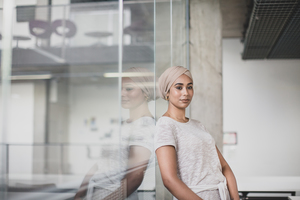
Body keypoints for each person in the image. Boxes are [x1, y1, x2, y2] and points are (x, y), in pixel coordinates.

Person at [155, 66, 239, 200]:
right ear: (167, 92)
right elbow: (169, 180)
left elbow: (224, 167)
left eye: (189, 87)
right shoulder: (165, 125)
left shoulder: (198, 125)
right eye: (179, 87)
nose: (186, 93)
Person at [74, 67, 156, 200]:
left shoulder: (144, 127)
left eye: (129, 89)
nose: (122, 93)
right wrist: (80, 192)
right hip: (98, 193)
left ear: (145, 92)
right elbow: (101, 162)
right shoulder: (125, 124)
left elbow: (134, 177)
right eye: (121, 88)